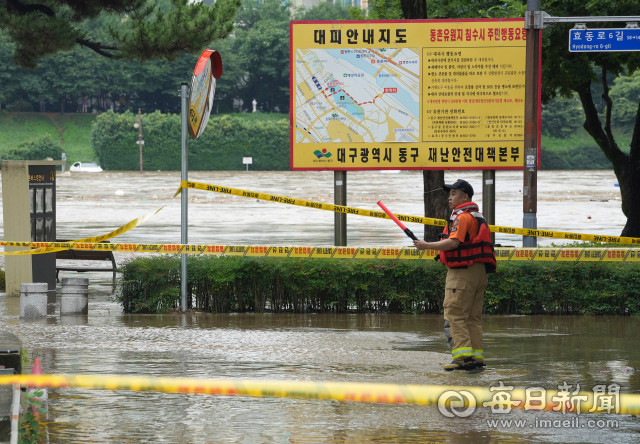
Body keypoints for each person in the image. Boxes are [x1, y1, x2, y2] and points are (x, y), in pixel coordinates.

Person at [413, 179, 496, 371]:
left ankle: (462, 360)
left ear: (465, 196)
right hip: (479, 273)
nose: (449, 198)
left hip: (462, 274)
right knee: (472, 319)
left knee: (454, 315)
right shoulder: (477, 216)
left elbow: (453, 243)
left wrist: (427, 245)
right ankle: (476, 360)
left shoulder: (462, 217)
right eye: (449, 194)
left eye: (454, 194)